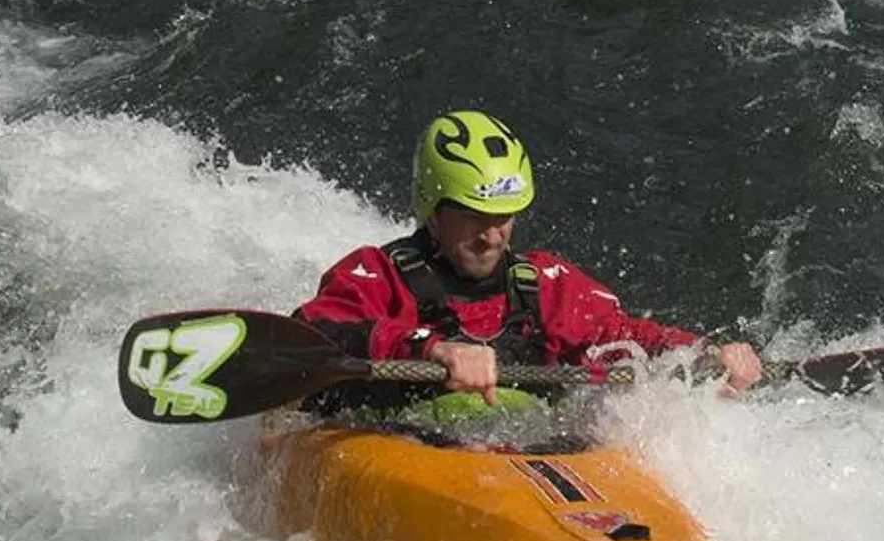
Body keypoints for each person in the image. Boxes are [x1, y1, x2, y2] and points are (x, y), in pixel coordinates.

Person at [297, 110, 765, 414]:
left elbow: (619, 336)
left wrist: (700, 352)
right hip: (398, 447)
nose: (492, 234)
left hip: (512, 459)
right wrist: (432, 348)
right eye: (473, 216)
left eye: (503, 217)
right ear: (434, 215)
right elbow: (312, 334)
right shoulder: (378, 274)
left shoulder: (543, 281)